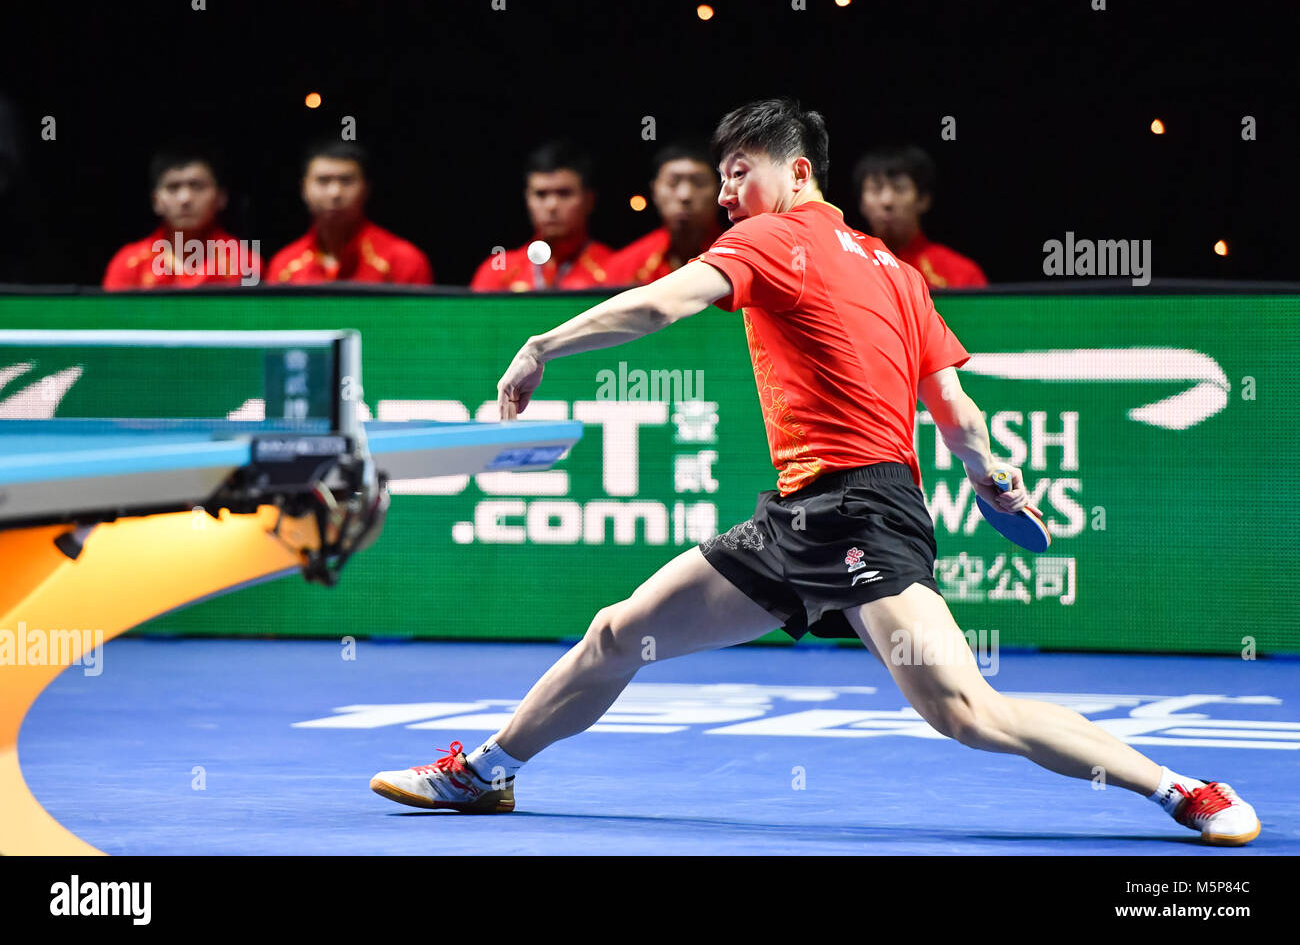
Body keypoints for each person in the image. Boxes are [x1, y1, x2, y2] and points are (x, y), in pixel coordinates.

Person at [370, 98, 1260, 846]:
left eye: (740, 170)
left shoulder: (774, 240)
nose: (724, 192)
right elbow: (957, 415)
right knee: (618, 633)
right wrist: (997, 485)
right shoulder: (901, 272)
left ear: (798, 176)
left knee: (965, 710)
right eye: (718, 175)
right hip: (802, 515)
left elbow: (659, 303)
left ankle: (1182, 789)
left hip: (864, 515)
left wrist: (541, 343)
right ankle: (486, 773)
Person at [267, 140, 433, 285]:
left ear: (366, 188)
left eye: (346, 181)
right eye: (323, 181)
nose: (335, 193)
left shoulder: (404, 261)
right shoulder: (283, 265)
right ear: (304, 188)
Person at [469, 141, 614, 291]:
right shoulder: (497, 272)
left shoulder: (613, 270)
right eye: (541, 194)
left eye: (564, 193)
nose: (551, 205)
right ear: (527, 200)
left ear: (589, 200)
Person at [103, 149, 256, 290]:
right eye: (173, 187)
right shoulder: (129, 264)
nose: (185, 198)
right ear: (156, 201)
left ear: (221, 197)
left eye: (197, 186)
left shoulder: (245, 263)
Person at [854, 145, 988, 289]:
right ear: (861, 203)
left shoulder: (961, 274)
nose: (887, 201)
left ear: (923, 199)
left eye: (899, 188)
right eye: (876, 189)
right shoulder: (846, 265)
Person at [603, 140, 724, 286]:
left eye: (699, 183)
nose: (684, 195)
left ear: (720, 190)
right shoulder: (622, 269)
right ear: (654, 191)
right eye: (672, 183)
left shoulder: (741, 259)